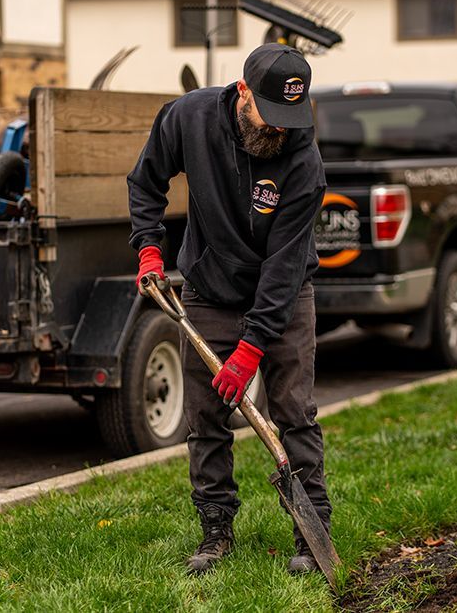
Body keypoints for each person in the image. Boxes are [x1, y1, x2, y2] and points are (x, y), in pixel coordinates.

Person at [127, 43, 331, 575]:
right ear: (242, 92)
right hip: (209, 290)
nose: (279, 131)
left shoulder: (303, 161)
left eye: (291, 118)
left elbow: (284, 270)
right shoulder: (188, 118)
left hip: (283, 297)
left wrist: (251, 348)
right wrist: (149, 246)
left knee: (294, 414)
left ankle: (311, 535)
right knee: (205, 418)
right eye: (271, 115)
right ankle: (215, 529)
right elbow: (145, 181)